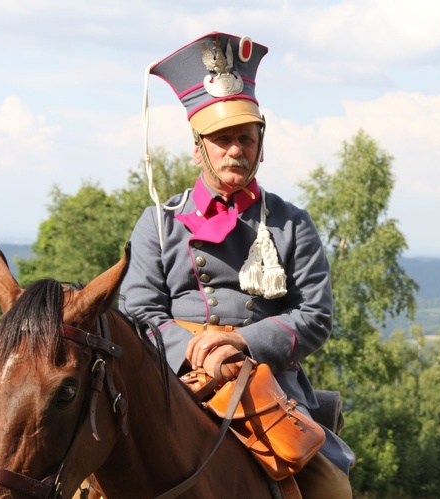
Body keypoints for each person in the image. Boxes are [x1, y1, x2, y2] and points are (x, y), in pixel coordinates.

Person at [120, 31, 354, 498]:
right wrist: (194, 349)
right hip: (171, 383)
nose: (235, 150)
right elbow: (138, 314)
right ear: (198, 147)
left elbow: (315, 317)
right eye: (222, 139)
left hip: (267, 387)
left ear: (260, 145)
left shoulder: (293, 224)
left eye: (245, 138)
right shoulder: (158, 224)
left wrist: (240, 344)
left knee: (330, 489)